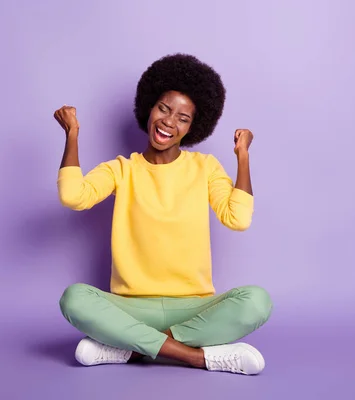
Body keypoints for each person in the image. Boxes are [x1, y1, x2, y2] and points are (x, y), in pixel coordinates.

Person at [55, 54, 273, 375]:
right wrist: (72, 133)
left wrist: (243, 157)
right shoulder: (121, 169)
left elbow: (237, 218)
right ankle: (198, 357)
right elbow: (73, 196)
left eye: (183, 118)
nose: (170, 121)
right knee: (74, 299)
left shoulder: (205, 167)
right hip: (131, 307)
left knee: (257, 301)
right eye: (164, 108)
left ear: (192, 127)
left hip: (193, 308)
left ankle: (130, 349)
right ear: (149, 108)